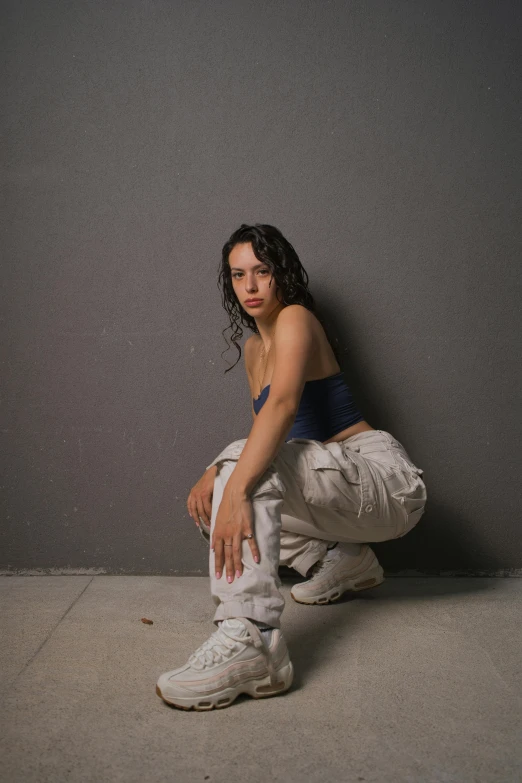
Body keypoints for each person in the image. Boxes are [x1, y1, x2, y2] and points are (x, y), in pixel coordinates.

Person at [156, 223, 427, 711]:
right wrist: (220, 472)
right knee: (226, 490)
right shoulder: (252, 349)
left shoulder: (296, 318)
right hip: (338, 493)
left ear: (281, 273)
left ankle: (254, 640)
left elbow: (282, 408)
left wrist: (228, 467)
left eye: (262, 271)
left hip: (384, 479)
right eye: (238, 276)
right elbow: (270, 435)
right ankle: (342, 559)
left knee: (239, 477)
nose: (251, 286)